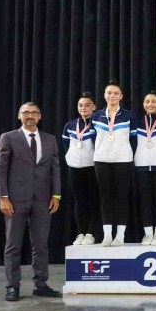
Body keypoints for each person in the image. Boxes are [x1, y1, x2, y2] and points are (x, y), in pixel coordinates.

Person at [0, 102, 62, 301]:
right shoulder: (8, 138)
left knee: (41, 245)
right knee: (13, 245)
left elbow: (55, 169)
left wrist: (56, 195)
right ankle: (12, 286)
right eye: (26, 112)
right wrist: (3, 197)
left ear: (39, 116)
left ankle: (41, 285)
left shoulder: (50, 139)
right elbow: (0, 169)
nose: (30, 115)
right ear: (19, 116)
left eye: (34, 112)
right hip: (15, 200)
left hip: (42, 200)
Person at [92, 81, 137, 247]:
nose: (112, 96)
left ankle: (120, 235)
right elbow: (93, 138)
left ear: (121, 96)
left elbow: (133, 140)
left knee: (122, 198)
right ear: (104, 95)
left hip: (123, 161)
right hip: (101, 161)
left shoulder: (129, 116)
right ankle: (107, 235)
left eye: (116, 93)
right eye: (109, 93)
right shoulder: (96, 116)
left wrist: (125, 153)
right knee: (105, 198)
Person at [61, 92, 99, 246]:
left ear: (94, 107)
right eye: (81, 105)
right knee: (79, 201)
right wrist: (71, 158)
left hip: (93, 168)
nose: (84, 108)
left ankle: (91, 233)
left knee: (93, 201)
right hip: (75, 168)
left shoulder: (97, 124)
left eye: (87, 105)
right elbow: (65, 145)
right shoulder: (70, 126)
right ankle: (81, 233)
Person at [134, 91, 156, 245]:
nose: (150, 104)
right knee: (145, 201)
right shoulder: (137, 123)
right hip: (141, 166)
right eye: (147, 101)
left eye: (154, 101)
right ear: (143, 104)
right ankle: (148, 233)